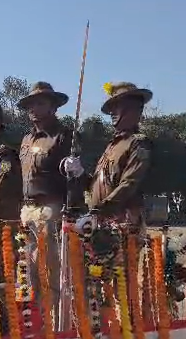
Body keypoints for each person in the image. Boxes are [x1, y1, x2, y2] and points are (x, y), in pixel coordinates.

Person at [17, 82, 82, 303]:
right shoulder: (26, 140)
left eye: (40, 103)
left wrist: (74, 168)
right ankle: (37, 317)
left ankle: (54, 322)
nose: (33, 109)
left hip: (51, 208)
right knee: (29, 266)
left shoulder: (64, 136)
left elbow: (78, 176)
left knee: (51, 267)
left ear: (53, 107)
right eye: (30, 105)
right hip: (27, 209)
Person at [88, 82, 154, 230]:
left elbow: (130, 182)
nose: (111, 113)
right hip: (102, 220)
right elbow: (98, 184)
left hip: (124, 219)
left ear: (134, 109)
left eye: (116, 107)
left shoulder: (138, 143)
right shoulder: (112, 146)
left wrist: (102, 208)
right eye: (111, 108)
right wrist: (78, 174)